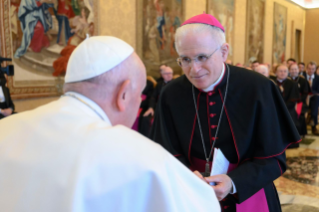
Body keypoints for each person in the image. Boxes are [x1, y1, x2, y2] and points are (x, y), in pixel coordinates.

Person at [0, 36, 220, 212]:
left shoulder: (6, 129)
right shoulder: (143, 159)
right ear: (123, 94)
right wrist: (194, 187)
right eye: (138, 96)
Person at [150, 14, 300, 212]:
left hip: (250, 195)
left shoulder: (259, 88)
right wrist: (188, 175)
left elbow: (274, 159)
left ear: (223, 51)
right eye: (185, 59)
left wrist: (234, 181)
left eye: (202, 57)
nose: (194, 69)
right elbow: (165, 152)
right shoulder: (171, 93)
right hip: (191, 195)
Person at [275, 65, 300, 137]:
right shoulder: (272, 82)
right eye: (280, 71)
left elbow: (293, 99)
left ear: (288, 73)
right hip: (273, 108)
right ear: (276, 72)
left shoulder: (292, 84)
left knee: (291, 117)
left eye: (285, 71)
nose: (283, 73)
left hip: (288, 108)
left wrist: (282, 107)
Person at [289, 63, 309, 138]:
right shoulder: (287, 80)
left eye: (295, 69)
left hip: (300, 102)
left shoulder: (303, 80)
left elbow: (305, 93)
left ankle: (300, 132)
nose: (294, 71)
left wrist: (297, 101)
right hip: (290, 102)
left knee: (299, 113)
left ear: (298, 70)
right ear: (289, 70)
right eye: (292, 69)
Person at [303, 61, 319, 135]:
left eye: (313, 69)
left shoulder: (317, 78)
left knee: (316, 99)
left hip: (313, 96)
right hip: (303, 96)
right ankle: (304, 125)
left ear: (315, 69)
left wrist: (311, 93)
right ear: (306, 68)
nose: (311, 70)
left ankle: (314, 125)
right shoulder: (302, 76)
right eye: (309, 68)